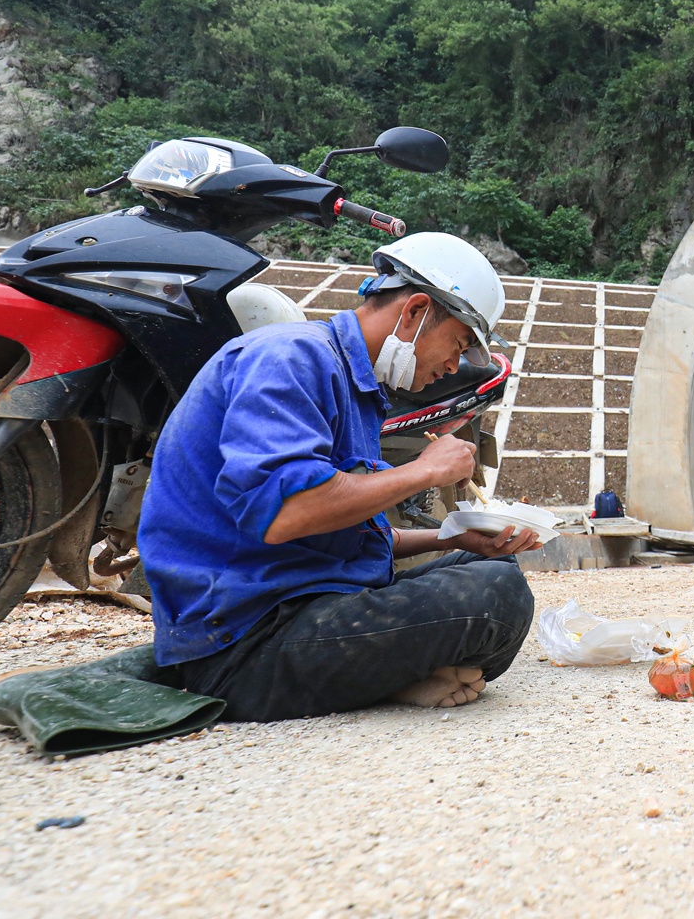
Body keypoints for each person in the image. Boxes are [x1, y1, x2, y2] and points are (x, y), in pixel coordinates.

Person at [139, 233, 543, 722]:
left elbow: (346, 531)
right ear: (415, 312)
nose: (454, 365)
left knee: (495, 572)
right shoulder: (289, 357)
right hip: (242, 641)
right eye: (457, 343)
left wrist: (454, 537)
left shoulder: (356, 389)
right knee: (494, 601)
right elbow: (290, 513)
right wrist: (422, 472)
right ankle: (397, 678)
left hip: (308, 602)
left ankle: (398, 674)